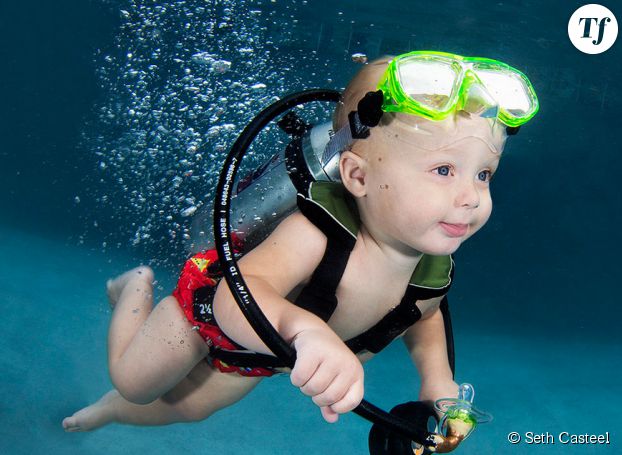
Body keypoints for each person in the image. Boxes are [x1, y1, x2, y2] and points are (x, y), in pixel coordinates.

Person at [62, 51, 538, 440]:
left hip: (259, 357)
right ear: (357, 175)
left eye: (483, 174)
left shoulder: (430, 267)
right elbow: (239, 295)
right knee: (137, 384)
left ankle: (107, 412)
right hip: (203, 316)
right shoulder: (319, 232)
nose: (470, 197)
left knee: (187, 409)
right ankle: (134, 287)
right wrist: (306, 332)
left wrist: (436, 381)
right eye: (443, 171)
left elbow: (426, 315)